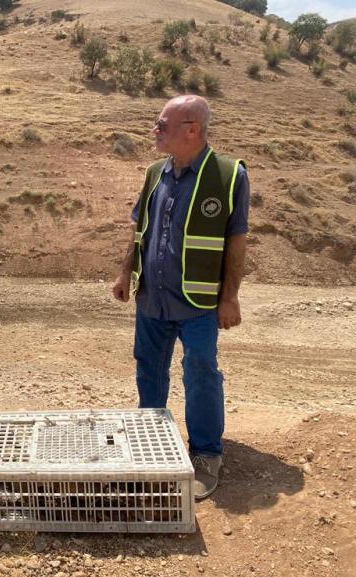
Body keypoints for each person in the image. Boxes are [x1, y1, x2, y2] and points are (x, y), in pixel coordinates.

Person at [112, 95, 249, 500]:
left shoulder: (228, 176)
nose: (155, 131)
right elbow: (141, 231)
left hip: (200, 303)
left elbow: (236, 242)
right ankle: (149, 438)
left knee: (202, 370)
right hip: (152, 298)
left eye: (161, 125)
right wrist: (125, 273)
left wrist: (231, 297)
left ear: (192, 129)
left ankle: (206, 453)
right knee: (148, 369)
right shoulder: (155, 173)